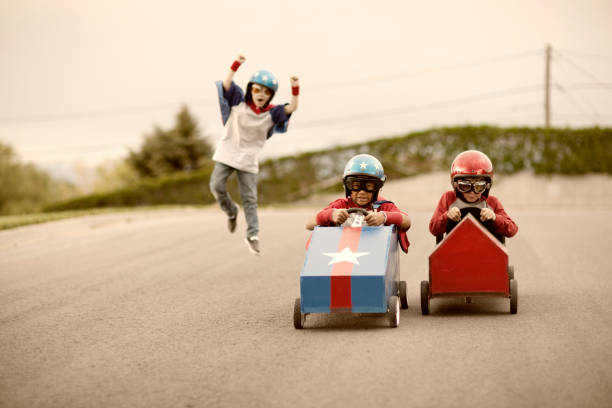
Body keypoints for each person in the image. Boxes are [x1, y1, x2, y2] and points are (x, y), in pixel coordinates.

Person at [209, 55, 300, 255]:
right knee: (216, 186)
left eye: (266, 92)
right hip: (228, 151)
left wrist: (295, 88)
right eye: (257, 89)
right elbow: (226, 84)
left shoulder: (272, 113)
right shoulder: (238, 102)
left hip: (248, 159)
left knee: (250, 199)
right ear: (251, 89)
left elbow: (291, 108)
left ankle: (253, 235)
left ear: (270, 95)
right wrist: (235, 65)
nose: (261, 94)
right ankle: (231, 211)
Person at [306, 154, 411, 250]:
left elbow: (407, 221)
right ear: (348, 186)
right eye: (356, 186)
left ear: (377, 188)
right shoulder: (341, 205)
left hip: (376, 256)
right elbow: (309, 223)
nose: (362, 192)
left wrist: (384, 217)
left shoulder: (383, 206)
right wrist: (331, 214)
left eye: (369, 186)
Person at [429, 150, 518, 240]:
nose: (472, 193)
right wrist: (447, 216)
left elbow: (512, 230)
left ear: (487, 186)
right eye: (465, 186)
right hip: (455, 249)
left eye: (479, 187)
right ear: (455, 185)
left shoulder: (492, 202)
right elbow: (433, 229)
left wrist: (495, 217)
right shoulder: (448, 198)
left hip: (486, 250)